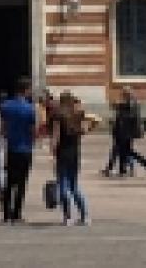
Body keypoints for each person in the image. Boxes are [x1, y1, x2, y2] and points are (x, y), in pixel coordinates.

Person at [52, 91, 96, 226]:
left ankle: (68, 217)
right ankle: (85, 216)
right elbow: (93, 122)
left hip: (63, 153)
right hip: (75, 153)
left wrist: (53, 151)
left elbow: (56, 137)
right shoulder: (78, 116)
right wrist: (89, 128)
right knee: (74, 185)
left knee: (63, 186)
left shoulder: (58, 116)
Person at [0, 77, 37, 225]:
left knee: (9, 182)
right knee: (22, 183)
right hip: (25, 149)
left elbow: (2, 130)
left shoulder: (6, 106)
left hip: (12, 148)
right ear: (26, 90)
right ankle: (17, 214)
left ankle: (6, 213)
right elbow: (33, 131)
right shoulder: (29, 108)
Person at [106, 89, 146, 177]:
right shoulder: (128, 105)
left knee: (125, 150)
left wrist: (117, 105)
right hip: (122, 132)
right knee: (122, 151)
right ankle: (122, 169)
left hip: (126, 132)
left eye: (123, 95)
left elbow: (124, 113)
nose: (121, 97)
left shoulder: (130, 105)